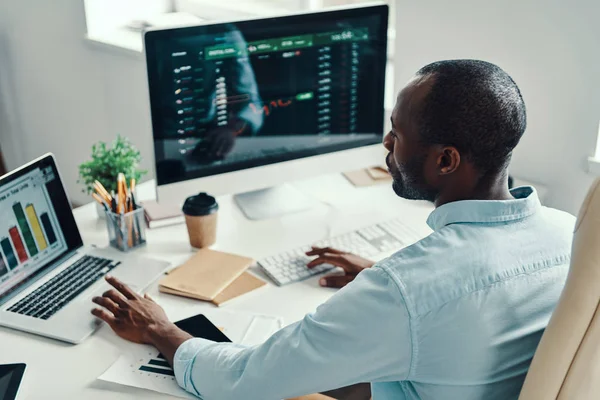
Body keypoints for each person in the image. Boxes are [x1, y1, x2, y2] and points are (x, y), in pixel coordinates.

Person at [91, 60, 575, 400]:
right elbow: (465, 301)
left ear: (446, 160)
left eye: (397, 134)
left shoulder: (405, 291)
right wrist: (382, 277)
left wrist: (162, 330)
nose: (386, 144)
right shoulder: (570, 234)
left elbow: (244, 379)